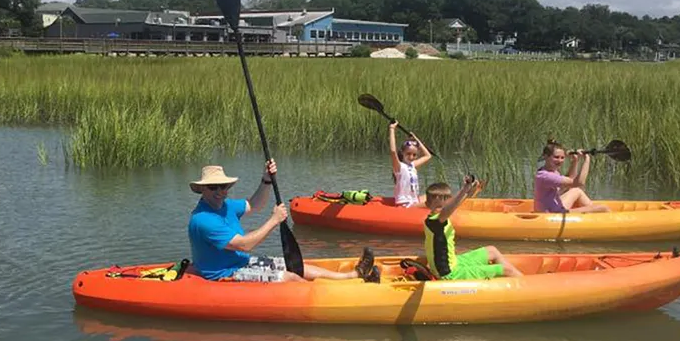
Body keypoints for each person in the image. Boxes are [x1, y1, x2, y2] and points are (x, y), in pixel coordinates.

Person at [187, 159, 379, 283]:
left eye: (223, 186)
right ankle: (336, 295)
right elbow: (244, 245)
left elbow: (254, 204)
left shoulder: (226, 205)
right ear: (203, 190)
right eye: (213, 188)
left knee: (294, 265)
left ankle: (353, 276)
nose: (220, 192)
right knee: (289, 277)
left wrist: (266, 181)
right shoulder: (203, 219)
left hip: (240, 263)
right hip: (225, 274)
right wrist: (274, 220)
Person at [423, 179, 523, 280]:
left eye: (444, 205)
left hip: (454, 263)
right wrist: (464, 189)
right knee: (506, 269)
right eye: (438, 207)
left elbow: (454, 205)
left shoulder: (438, 219)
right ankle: (524, 284)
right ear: (427, 205)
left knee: (492, 250)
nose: (441, 209)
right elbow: (449, 209)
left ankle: (504, 282)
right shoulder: (435, 221)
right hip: (449, 274)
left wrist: (472, 190)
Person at [534, 139, 611, 213]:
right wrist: (587, 160)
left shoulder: (550, 171)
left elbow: (570, 180)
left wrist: (575, 161)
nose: (560, 161)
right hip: (553, 215)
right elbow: (579, 183)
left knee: (576, 191)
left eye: (562, 157)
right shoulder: (546, 176)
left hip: (555, 209)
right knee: (604, 208)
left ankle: (592, 213)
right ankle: (596, 214)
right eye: (556, 157)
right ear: (546, 156)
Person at [388, 121, 432, 207]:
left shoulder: (412, 165)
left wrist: (416, 140)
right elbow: (393, 151)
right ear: (402, 153)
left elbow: (428, 156)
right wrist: (392, 128)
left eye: (414, 154)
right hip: (405, 204)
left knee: (438, 195)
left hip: (414, 201)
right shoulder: (399, 167)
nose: (411, 157)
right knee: (435, 202)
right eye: (408, 154)